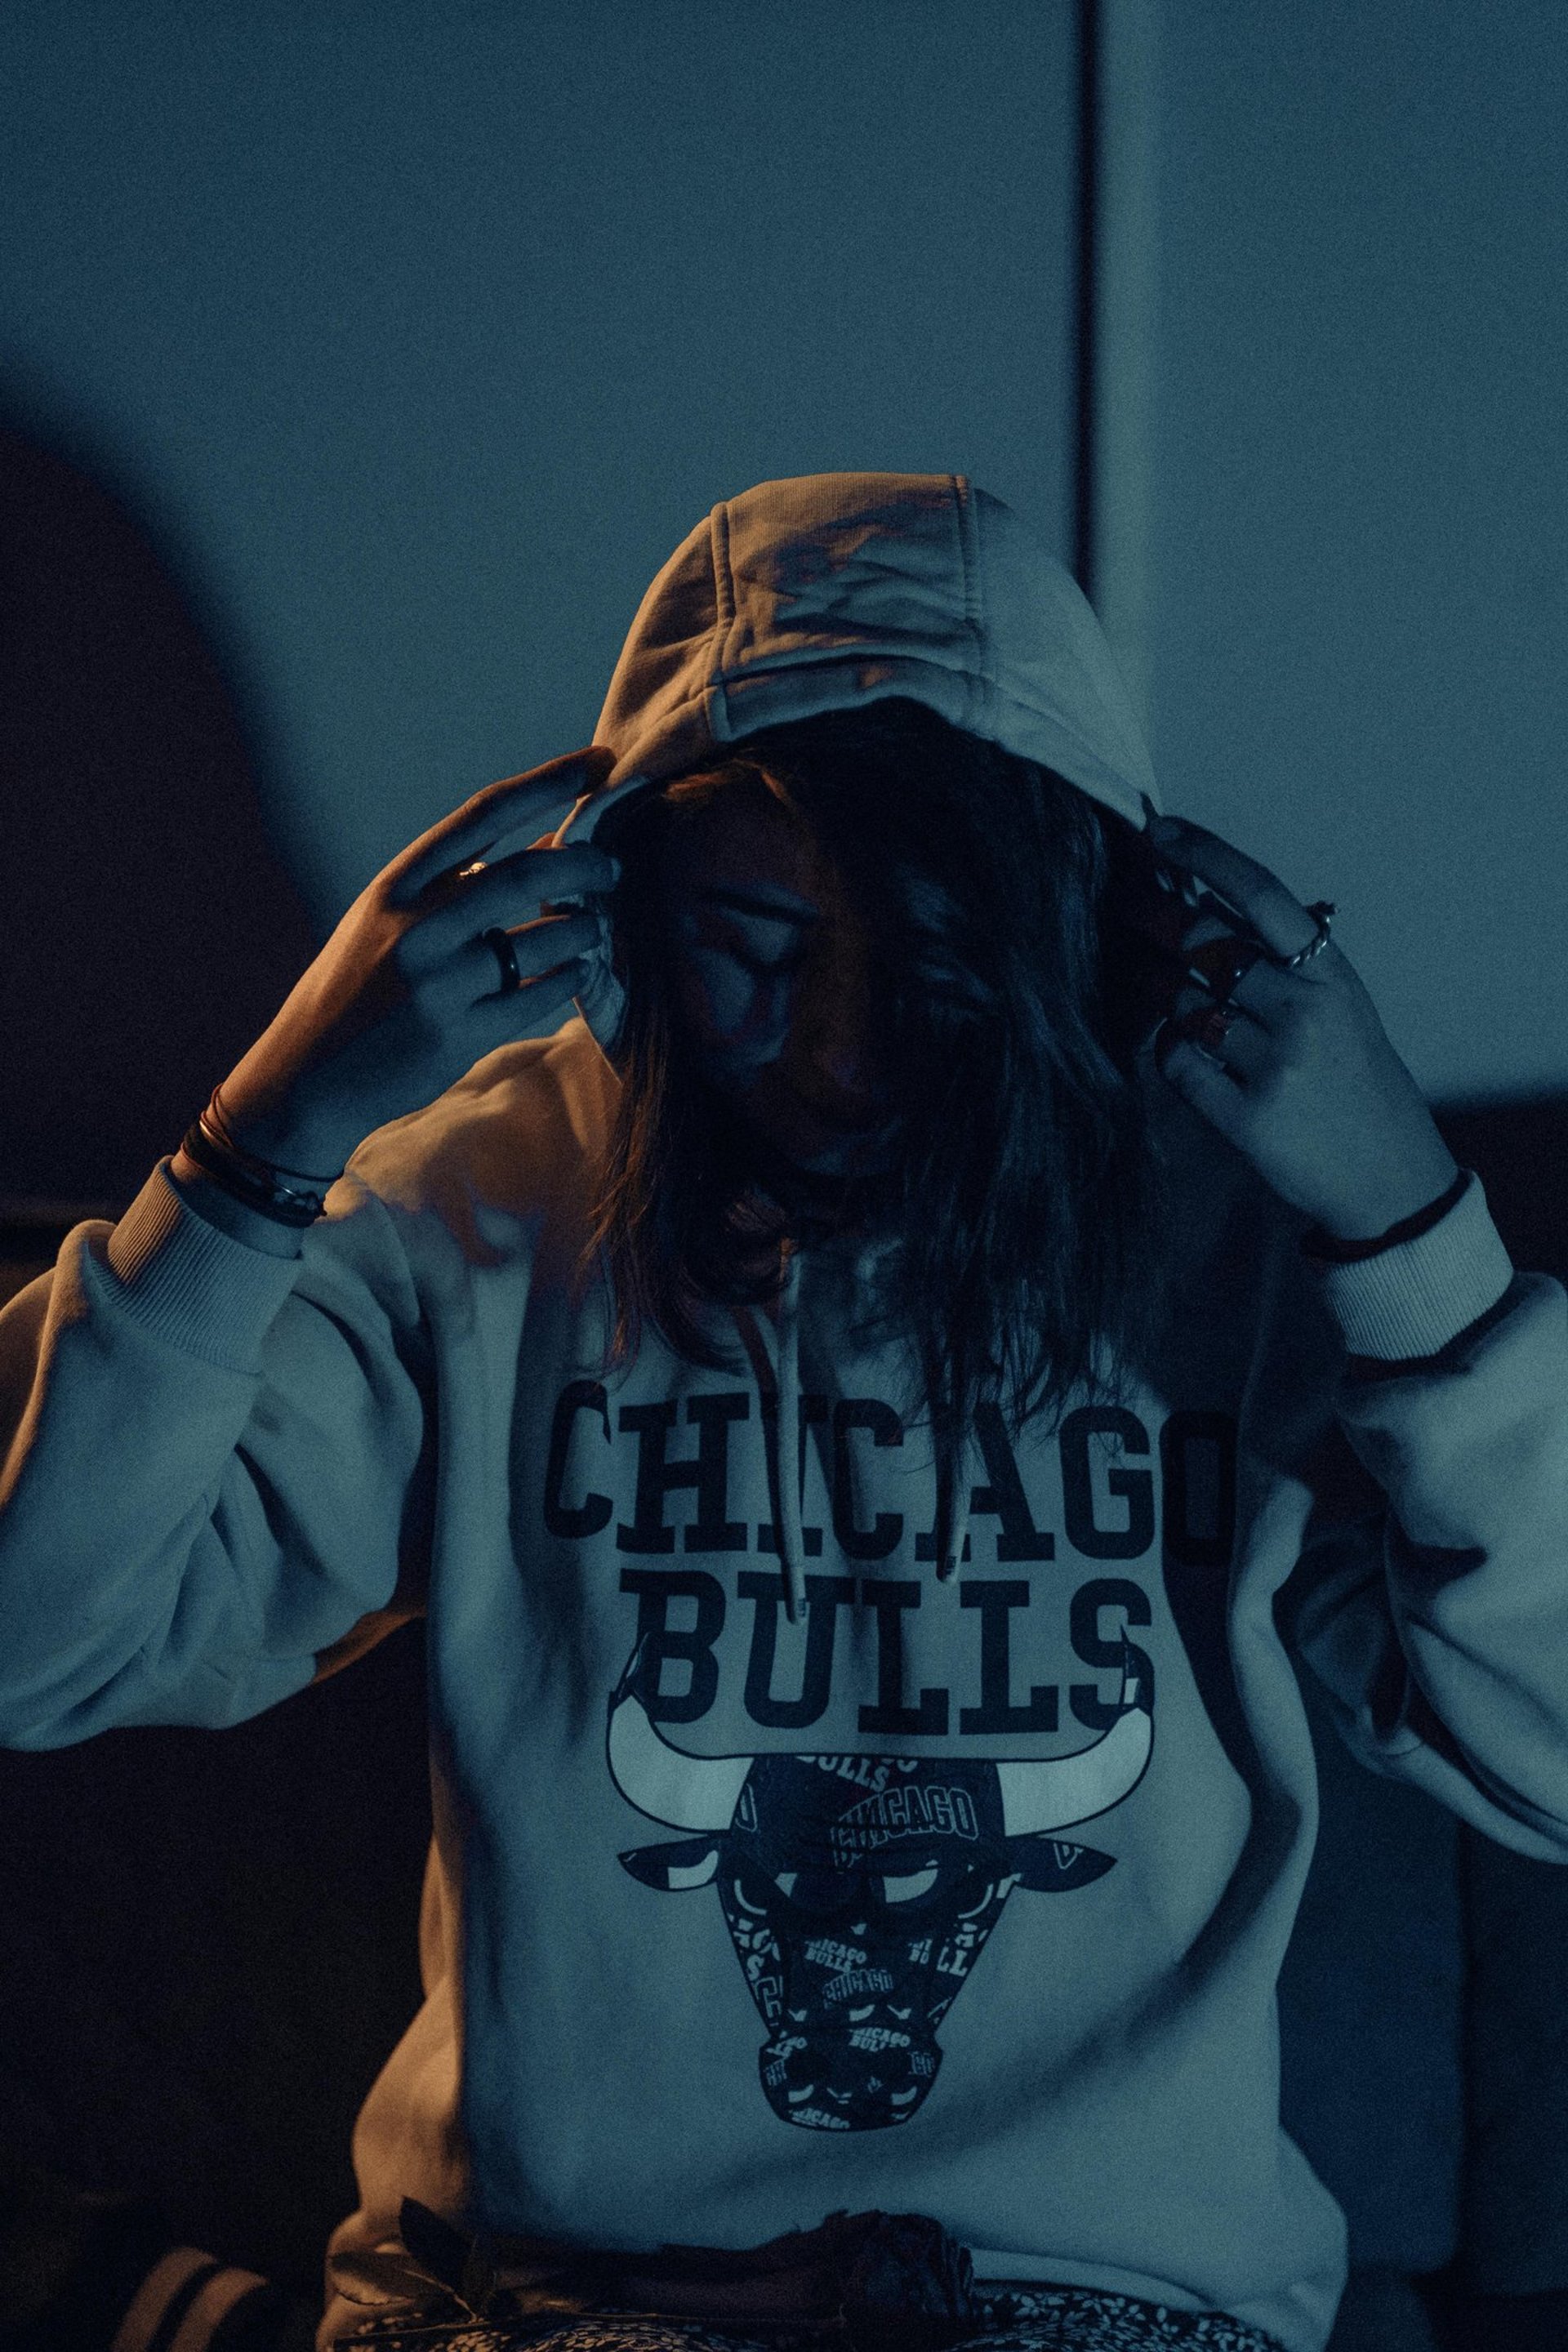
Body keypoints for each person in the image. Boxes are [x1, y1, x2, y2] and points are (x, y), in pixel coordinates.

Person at [2, 470, 1566, 2352]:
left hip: (1122, 2321)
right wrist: (265, 1139)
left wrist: (1411, 1227)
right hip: (560, 2317)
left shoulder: (1244, 1245)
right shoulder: (478, 1216)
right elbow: (36, 1647)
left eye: (928, 968)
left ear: (1081, 935)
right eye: (757, 947)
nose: (839, 1054)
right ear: (624, 909)